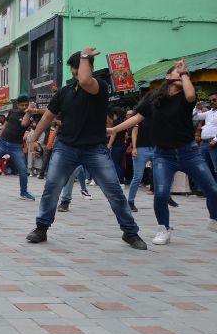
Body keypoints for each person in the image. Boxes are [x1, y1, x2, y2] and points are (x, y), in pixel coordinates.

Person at [26, 48, 146, 250]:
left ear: (88, 68)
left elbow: (84, 80)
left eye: (79, 71)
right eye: (73, 73)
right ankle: (41, 228)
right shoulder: (64, 92)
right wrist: (34, 138)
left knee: (114, 190)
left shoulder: (100, 87)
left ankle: (130, 232)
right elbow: (47, 116)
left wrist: (84, 56)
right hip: (65, 147)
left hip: (94, 148)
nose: (76, 77)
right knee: (52, 187)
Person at [108, 59, 217, 244]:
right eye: (178, 71)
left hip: (189, 152)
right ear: (167, 76)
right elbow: (137, 118)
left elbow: (191, 96)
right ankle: (164, 229)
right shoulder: (153, 97)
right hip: (163, 155)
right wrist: (114, 130)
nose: (183, 74)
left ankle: (214, 218)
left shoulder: (185, 96)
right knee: (160, 193)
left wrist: (183, 74)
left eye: (186, 73)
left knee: (212, 189)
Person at [193, 94, 217, 178]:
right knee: (205, 169)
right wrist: (197, 108)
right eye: (210, 100)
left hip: (214, 144)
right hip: (204, 144)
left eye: (214, 100)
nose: (211, 102)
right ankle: (211, 190)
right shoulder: (209, 113)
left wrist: (215, 139)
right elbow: (194, 117)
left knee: (216, 169)